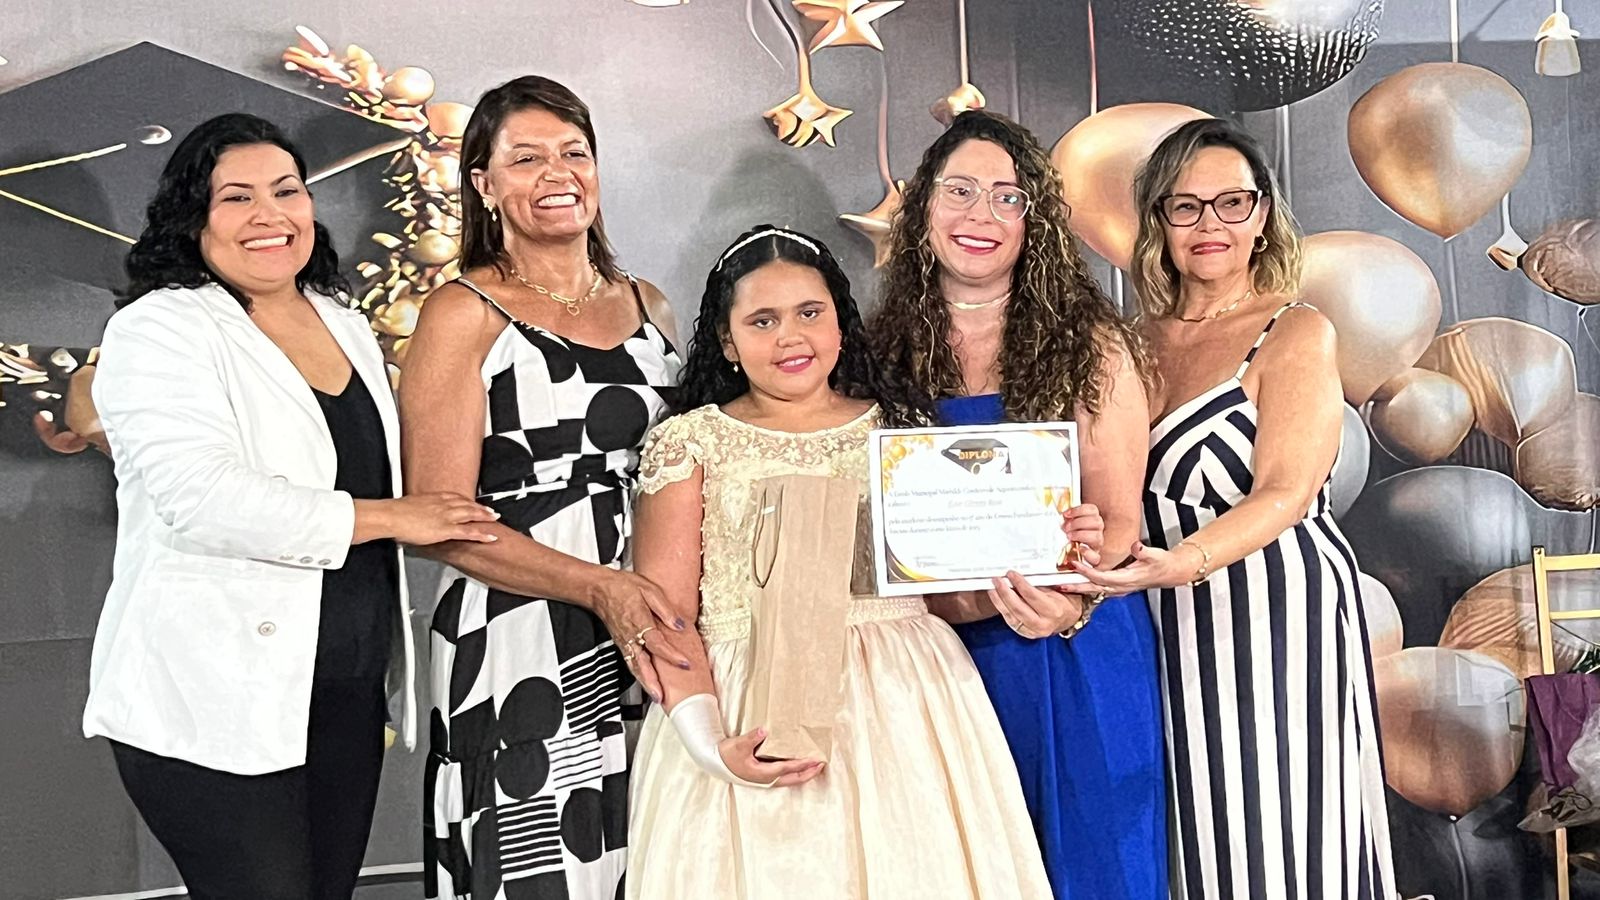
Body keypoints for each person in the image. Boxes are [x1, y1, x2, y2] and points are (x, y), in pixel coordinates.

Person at [84, 113, 497, 900]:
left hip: (343, 694)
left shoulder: (342, 319)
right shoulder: (159, 327)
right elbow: (203, 498)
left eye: (286, 191)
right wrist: (391, 516)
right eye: (236, 197)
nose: (269, 215)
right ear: (193, 217)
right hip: (212, 698)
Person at [624, 225, 1052, 899]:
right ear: (728, 341)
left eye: (809, 313)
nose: (790, 337)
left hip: (904, 701)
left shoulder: (901, 430)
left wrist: (1040, 569)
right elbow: (666, 617)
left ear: (840, 323)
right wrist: (710, 746)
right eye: (763, 321)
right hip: (746, 703)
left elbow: (943, 590)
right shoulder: (691, 442)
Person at [1073, 117, 1395, 899]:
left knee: (1278, 833)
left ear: (1262, 215)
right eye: (1185, 206)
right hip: (1155, 613)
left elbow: (1287, 490)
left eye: (1230, 203)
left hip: (1271, 611)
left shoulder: (1297, 330)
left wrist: (1181, 563)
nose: (1209, 224)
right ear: (1158, 221)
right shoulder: (1127, 342)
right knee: (1190, 834)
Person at [400, 76, 685, 900]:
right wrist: (599, 588)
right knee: (540, 860)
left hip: (652, 613)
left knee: (652, 848)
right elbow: (442, 521)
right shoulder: (463, 312)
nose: (557, 173)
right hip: (520, 629)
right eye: (526, 158)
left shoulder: (651, 304)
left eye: (574, 153)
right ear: (484, 184)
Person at [871, 109, 1164, 899]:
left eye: (1009, 197)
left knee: (1090, 867)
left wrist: (1070, 598)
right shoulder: (877, 351)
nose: (983, 215)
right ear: (923, 205)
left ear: (1036, 221)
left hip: (1066, 641)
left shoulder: (1092, 344)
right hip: (935, 658)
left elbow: (1118, 519)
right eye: (960, 190)